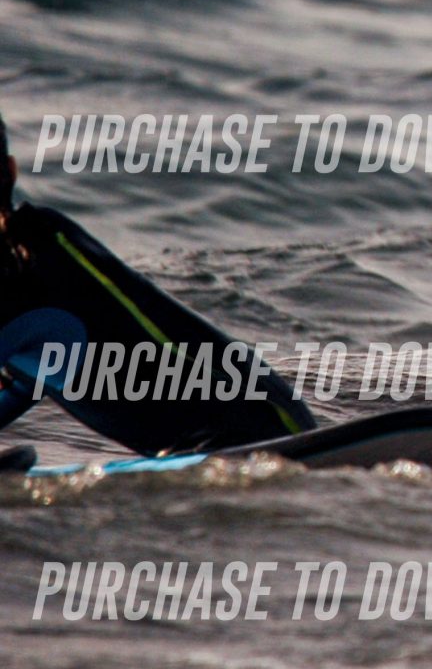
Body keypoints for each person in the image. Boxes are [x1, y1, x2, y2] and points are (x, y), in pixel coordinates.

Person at [0, 108, 315, 456]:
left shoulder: (25, 264)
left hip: (256, 433)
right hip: (261, 427)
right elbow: (28, 376)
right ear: (12, 170)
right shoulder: (42, 244)